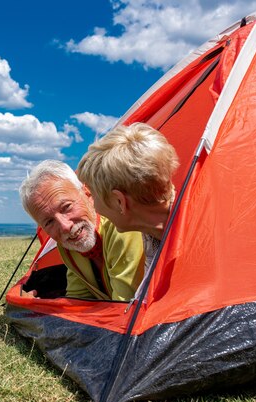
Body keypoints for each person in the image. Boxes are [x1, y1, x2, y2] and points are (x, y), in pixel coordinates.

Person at [19, 160, 144, 301]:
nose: (65, 227)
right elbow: (78, 300)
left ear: (87, 193)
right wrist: (37, 307)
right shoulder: (68, 247)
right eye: (49, 222)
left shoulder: (121, 229)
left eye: (66, 207)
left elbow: (124, 308)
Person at [77, 122, 179, 271]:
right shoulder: (155, 235)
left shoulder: (194, 247)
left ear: (119, 201)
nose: (94, 206)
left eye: (93, 195)